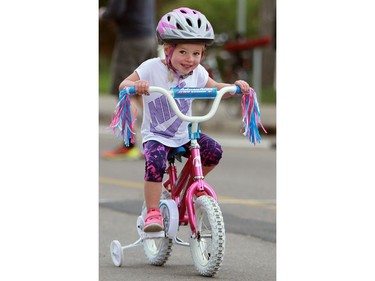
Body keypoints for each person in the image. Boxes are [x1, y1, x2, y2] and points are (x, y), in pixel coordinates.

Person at [118, 7, 252, 232]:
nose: (190, 59)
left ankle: (187, 186)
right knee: (155, 163)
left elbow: (217, 88)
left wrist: (235, 87)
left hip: (184, 134)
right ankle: (152, 212)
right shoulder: (151, 68)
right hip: (157, 135)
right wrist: (137, 85)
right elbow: (124, 85)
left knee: (214, 151)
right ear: (168, 50)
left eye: (196, 53)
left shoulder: (198, 73)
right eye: (183, 52)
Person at [99, 0, 157, 159]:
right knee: (142, 94)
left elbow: (116, 10)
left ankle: (128, 145)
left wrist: (103, 13)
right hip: (149, 39)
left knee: (125, 92)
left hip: (132, 40)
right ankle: (157, 142)